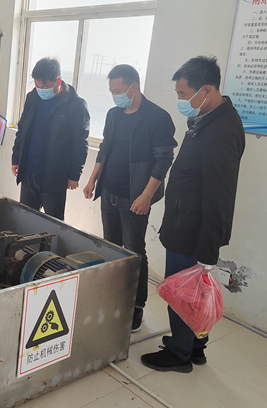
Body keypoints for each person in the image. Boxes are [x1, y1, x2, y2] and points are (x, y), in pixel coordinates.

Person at [141, 56, 245, 373]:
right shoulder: (207, 120)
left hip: (191, 231)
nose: (180, 100)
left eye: (183, 94)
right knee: (194, 293)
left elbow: (220, 195)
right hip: (185, 223)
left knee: (183, 294)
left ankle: (179, 353)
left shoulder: (221, 132)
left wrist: (207, 249)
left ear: (206, 90)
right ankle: (195, 346)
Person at [83, 64, 177, 332]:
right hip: (109, 192)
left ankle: (136, 307)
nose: (115, 96)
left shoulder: (157, 117)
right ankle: (113, 296)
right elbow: (105, 149)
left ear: (134, 87)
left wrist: (146, 195)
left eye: (118, 90)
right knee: (111, 246)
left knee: (135, 252)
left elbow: (163, 160)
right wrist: (92, 179)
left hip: (134, 198)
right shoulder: (113, 114)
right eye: (112, 91)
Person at [11, 58, 90, 221]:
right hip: (29, 172)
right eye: (37, 86)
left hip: (54, 176)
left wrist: (74, 174)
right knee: (25, 220)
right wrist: (16, 158)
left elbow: (80, 142)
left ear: (58, 81)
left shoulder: (76, 105)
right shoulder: (32, 98)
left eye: (45, 87)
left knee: (53, 223)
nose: (41, 90)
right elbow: (23, 129)